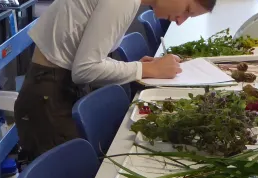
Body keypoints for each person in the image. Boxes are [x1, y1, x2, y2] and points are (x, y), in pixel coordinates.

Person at [15, 0, 216, 159]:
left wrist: (144, 68)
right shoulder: (123, 2)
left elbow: (88, 61)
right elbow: (85, 69)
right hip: (48, 96)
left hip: (57, 85)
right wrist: (144, 68)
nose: (181, 21)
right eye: (188, 10)